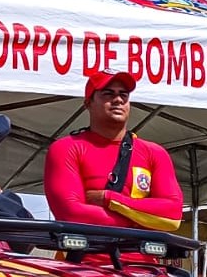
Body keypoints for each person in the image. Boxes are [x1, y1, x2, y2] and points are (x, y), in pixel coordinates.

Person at [43, 70, 183, 231]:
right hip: (84, 255)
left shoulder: (155, 153)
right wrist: (143, 221)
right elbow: (70, 214)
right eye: (108, 94)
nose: (118, 99)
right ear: (88, 103)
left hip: (142, 255)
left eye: (123, 95)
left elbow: (172, 215)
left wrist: (109, 198)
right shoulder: (66, 148)